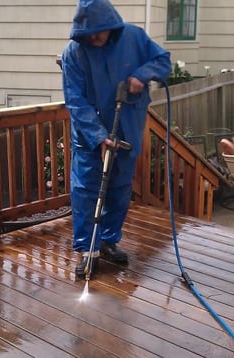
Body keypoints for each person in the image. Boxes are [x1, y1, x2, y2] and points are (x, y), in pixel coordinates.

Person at [61, 0, 171, 278]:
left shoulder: (134, 38)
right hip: (89, 136)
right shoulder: (75, 53)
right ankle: (88, 251)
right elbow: (76, 101)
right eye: (89, 34)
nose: (95, 38)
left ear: (111, 25)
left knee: (119, 189)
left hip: (127, 128)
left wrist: (141, 75)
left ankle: (109, 241)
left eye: (100, 31)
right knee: (86, 190)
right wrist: (98, 137)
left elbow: (163, 60)